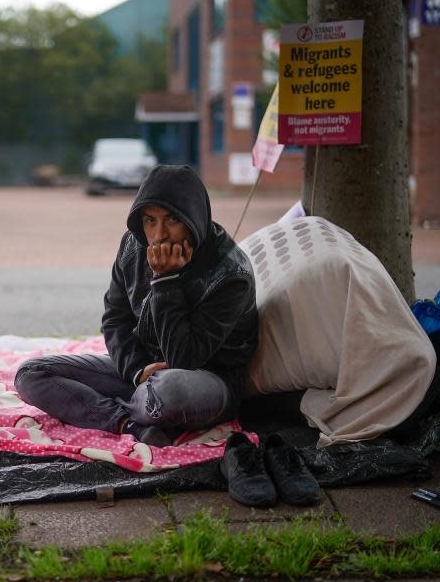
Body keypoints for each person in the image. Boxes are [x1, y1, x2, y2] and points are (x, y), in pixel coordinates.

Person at [15, 165, 258, 447]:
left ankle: (107, 405)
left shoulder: (230, 275)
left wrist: (166, 279)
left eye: (172, 220)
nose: (159, 235)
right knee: (30, 374)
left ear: (195, 218)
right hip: (144, 371)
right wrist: (135, 370)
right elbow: (115, 319)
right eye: (150, 221)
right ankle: (128, 424)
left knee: (169, 392)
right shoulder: (133, 246)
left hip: (204, 381)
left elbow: (184, 359)